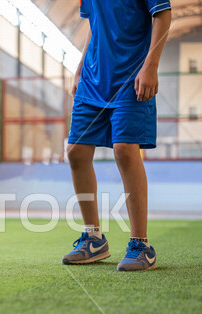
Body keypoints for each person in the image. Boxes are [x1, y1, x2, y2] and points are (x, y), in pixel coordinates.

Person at [62, 0, 172, 271]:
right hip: (92, 79)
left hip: (131, 75)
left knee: (124, 149)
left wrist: (151, 65)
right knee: (76, 151)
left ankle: (140, 245)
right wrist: (79, 69)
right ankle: (93, 239)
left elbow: (163, 16)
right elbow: (95, 27)